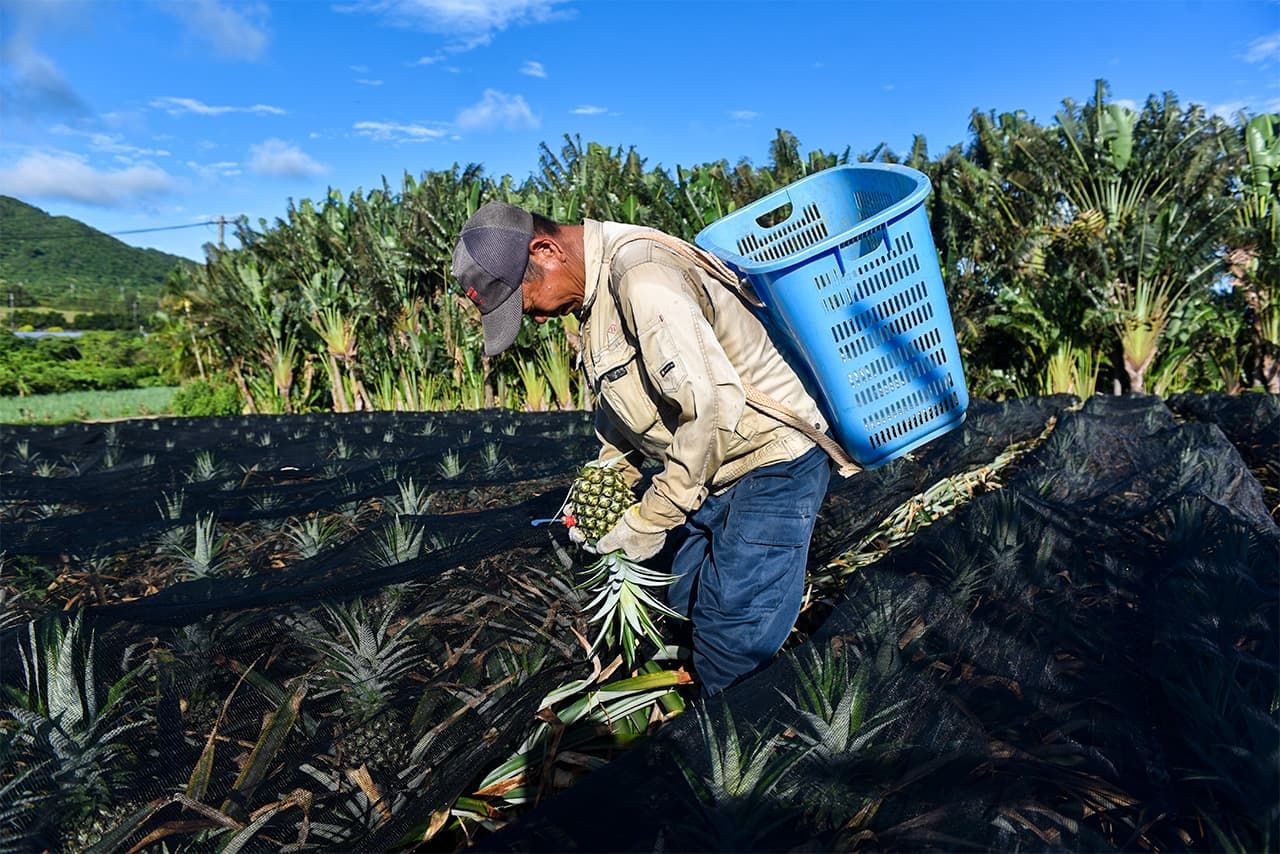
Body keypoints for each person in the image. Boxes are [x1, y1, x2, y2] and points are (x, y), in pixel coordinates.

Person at [452, 201, 833, 695]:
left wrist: (649, 520)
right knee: (682, 597)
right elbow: (626, 408)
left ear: (545, 251)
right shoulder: (597, 295)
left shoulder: (642, 276)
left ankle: (739, 747)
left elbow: (711, 407)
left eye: (527, 302)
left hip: (772, 459)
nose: (539, 320)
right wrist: (606, 478)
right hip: (717, 468)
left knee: (730, 637)